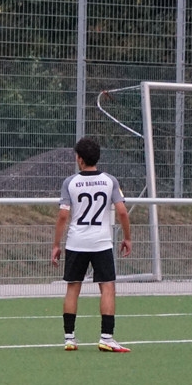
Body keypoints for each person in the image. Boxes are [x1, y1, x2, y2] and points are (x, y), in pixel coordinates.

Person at [50, 136, 132, 353]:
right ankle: (106, 338)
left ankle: (69, 339)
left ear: (79, 159)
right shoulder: (110, 181)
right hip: (101, 242)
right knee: (107, 287)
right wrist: (127, 237)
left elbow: (63, 215)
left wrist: (56, 244)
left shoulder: (70, 182)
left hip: (76, 242)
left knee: (73, 287)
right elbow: (122, 212)